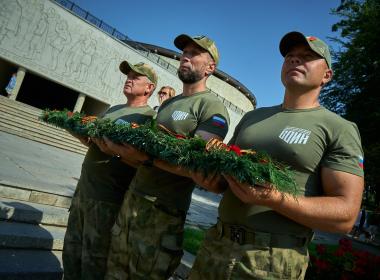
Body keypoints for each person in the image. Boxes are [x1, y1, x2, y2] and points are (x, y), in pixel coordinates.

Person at [188, 31, 365, 279]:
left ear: (327, 75)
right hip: (216, 244)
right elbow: (223, 179)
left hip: (271, 260)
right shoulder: (253, 117)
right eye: (290, 56)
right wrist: (209, 178)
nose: (294, 60)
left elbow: (345, 216)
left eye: (307, 57)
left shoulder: (339, 128)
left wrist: (274, 198)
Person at [103, 34, 230, 279]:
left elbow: (195, 161)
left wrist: (147, 158)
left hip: (163, 212)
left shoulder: (211, 106)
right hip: (133, 200)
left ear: (210, 67)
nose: (185, 57)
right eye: (184, 52)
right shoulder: (169, 104)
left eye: (194, 53)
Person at [62, 61, 157, 279]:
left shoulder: (148, 118)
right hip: (82, 194)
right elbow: (96, 144)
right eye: (128, 75)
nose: (129, 79)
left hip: (107, 201)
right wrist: (79, 131)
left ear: (149, 88)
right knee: (71, 254)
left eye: (136, 76)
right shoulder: (114, 109)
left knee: (93, 263)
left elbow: (143, 162)